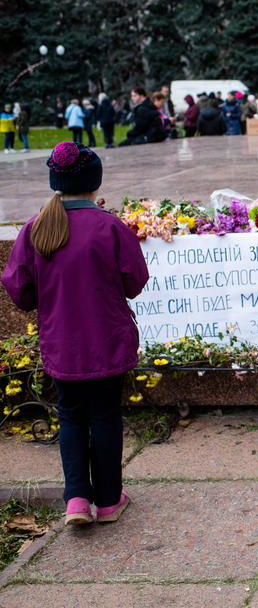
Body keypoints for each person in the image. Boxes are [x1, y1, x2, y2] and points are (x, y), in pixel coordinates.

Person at [2, 142, 149, 526]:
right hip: (107, 341)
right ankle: (109, 501)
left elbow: (19, 290)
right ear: (94, 184)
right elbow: (135, 281)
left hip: (61, 342)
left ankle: (76, 502)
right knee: (104, 416)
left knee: (70, 416)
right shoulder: (110, 226)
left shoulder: (36, 229)